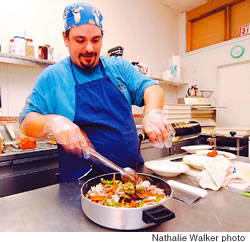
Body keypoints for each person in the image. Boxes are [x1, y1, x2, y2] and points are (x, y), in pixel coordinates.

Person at [19, 2, 172, 182]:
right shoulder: (53, 77)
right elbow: (25, 122)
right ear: (66, 38)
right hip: (81, 185)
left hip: (131, 177)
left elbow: (152, 88)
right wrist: (52, 122)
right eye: (80, 40)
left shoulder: (119, 68)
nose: (90, 48)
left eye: (96, 40)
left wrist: (152, 112)